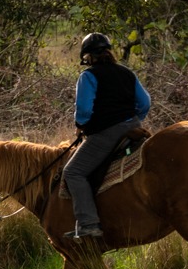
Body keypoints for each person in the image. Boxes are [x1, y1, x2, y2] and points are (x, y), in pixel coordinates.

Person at [62, 31, 152, 242]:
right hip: (134, 128)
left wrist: (82, 126)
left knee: (73, 172)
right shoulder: (127, 73)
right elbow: (145, 102)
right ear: (109, 52)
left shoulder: (88, 76)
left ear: (88, 57)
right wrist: (132, 119)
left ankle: (89, 224)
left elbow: (83, 110)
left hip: (107, 133)